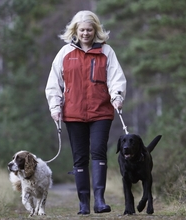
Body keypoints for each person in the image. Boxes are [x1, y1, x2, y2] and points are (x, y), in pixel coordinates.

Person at [45, 10, 127, 215]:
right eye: (82, 29)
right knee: (79, 158)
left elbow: (116, 78)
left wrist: (117, 96)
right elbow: (54, 83)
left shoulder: (106, 51)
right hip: (73, 113)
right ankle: (83, 203)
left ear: (96, 30)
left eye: (89, 30)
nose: (85, 33)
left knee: (98, 152)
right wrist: (55, 107)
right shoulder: (65, 53)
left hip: (101, 112)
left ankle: (99, 200)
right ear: (75, 30)